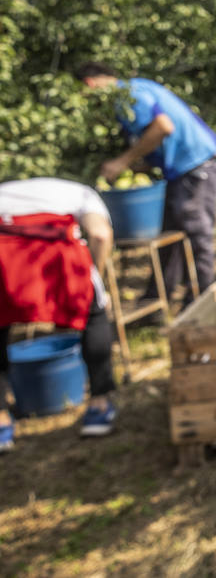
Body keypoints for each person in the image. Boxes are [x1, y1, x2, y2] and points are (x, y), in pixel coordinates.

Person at [77, 62, 216, 304]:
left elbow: (162, 127)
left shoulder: (127, 96)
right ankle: (156, 301)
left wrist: (122, 162)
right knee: (169, 236)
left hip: (198, 166)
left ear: (90, 84)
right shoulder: (134, 89)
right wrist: (139, 165)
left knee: (197, 235)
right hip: (184, 170)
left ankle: (203, 302)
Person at [0, 178, 119, 448]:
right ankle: (99, 406)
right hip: (56, 261)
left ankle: (1, 423)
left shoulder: (4, 193)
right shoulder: (84, 194)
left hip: (4, 261)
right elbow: (100, 234)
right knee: (95, 316)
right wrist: (96, 279)